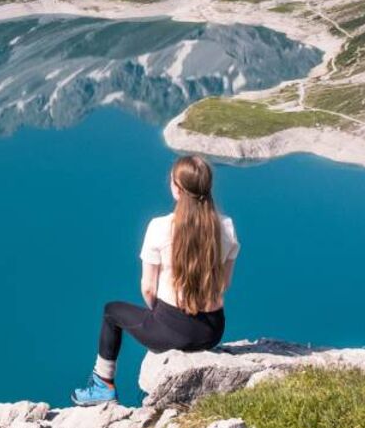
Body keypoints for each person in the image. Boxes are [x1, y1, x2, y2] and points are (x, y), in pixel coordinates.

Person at [71, 154, 239, 406]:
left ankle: (102, 385)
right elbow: (224, 284)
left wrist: (160, 319)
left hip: (172, 330)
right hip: (212, 331)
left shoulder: (160, 227)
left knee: (111, 312)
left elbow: (148, 288)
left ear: (177, 189)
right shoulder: (227, 227)